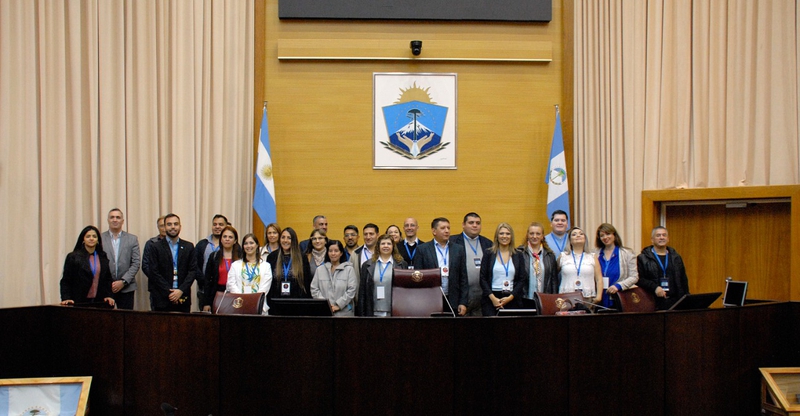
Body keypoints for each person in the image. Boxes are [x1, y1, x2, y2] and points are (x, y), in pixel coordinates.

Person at [142, 213, 198, 312]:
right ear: (164, 227)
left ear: (180, 227)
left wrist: (180, 291)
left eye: (175, 224)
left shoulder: (189, 246)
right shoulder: (155, 247)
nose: (173, 227)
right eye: (169, 224)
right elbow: (154, 272)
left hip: (182, 296)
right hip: (161, 297)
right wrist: (170, 292)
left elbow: (192, 271)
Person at [417, 217, 469, 316]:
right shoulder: (422, 249)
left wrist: (463, 302)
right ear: (434, 231)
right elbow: (419, 278)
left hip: (453, 299)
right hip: (430, 299)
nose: (447, 231)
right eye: (443, 228)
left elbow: (463, 278)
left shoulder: (458, 249)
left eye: (448, 228)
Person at [60, 226, 116, 307]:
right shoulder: (73, 257)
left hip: (99, 301)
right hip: (78, 301)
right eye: (88, 236)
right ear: (83, 239)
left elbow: (107, 279)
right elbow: (66, 280)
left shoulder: (102, 256)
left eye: (94, 236)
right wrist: (66, 297)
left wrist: (109, 295)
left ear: (98, 240)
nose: (91, 238)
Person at [449, 212, 492, 316]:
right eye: (471, 222)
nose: (475, 225)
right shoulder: (452, 242)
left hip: (482, 295)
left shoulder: (488, 243)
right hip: (462, 294)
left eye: (478, 223)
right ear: (463, 225)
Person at [637, 226, 690, 310]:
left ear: (668, 238)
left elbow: (683, 279)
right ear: (652, 240)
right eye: (658, 235)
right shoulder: (643, 258)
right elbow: (639, 279)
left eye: (664, 235)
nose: (661, 237)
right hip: (654, 302)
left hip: (675, 301)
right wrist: (655, 287)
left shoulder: (676, 257)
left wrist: (686, 298)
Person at [479, 223, 526, 315]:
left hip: (512, 298)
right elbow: (482, 278)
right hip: (491, 298)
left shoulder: (518, 255)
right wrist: (493, 298)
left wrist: (510, 297)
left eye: (508, 234)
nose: (504, 236)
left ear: (511, 236)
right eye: (501, 233)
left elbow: (522, 279)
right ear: (497, 236)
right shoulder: (488, 254)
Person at [356, 234, 408, 317]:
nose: (386, 246)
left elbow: (405, 292)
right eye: (383, 244)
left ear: (393, 247)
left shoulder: (401, 265)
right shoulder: (367, 265)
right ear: (378, 246)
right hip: (372, 311)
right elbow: (362, 293)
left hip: (394, 312)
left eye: (389, 244)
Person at [101, 208, 140, 310]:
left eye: (118, 217)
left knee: (126, 320)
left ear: (122, 221)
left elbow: (136, 263)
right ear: (108, 220)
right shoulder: (100, 238)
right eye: (112, 217)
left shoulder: (132, 239)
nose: (115, 220)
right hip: (105, 288)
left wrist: (123, 281)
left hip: (127, 287)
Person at [595, 223, 639, 309]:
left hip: (619, 297)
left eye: (608, 234)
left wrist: (618, 286)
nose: (605, 237)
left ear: (614, 235)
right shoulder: (595, 254)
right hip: (600, 297)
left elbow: (634, 277)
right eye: (602, 235)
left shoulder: (627, 253)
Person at [227, 233, 272, 315]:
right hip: (239, 307)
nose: (248, 246)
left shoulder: (266, 266)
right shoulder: (235, 265)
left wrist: (253, 301)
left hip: (259, 307)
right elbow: (231, 284)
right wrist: (243, 300)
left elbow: (265, 287)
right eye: (246, 243)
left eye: (251, 243)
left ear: (257, 245)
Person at [557, 226, 603, 306]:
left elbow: (599, 279)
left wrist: (599, 296)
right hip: (566, 299)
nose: (578, 236)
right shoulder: (563, 256)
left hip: (588, 298)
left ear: (585, 239)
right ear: (570, 240)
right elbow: (553, 277)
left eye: (581, 234)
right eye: (574, 234)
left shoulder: (592, 256)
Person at [201, 225, 242, 311]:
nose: (227, 239)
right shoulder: (214, 256)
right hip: (217, 294)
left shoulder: (241, 257)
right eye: (225, 236)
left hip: (236, 294)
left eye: (230, 237)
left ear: (235, 241)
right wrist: (206, 302)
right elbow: (207, 281)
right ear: (221, 239)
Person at [311, 240, 357, 316]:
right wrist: (326, 305)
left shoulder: (349, 269)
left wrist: (338, 305)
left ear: (341, 253)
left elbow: (352, 290)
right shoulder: (320, 270)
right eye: (330, 251)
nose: (333, 253)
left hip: (344, 312)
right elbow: (314, 289)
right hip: (325, 312)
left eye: (336, 251)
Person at [266, 227, 312, 300]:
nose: (285, 240)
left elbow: (307, 282)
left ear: (293, 240)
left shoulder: (302, 257)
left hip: (297, 302)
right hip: (276, 302)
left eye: (289, 238)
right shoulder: (272, 257)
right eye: (283, 237)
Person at [195, 214, 229, 307]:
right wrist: (203, 281)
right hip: (204, 290)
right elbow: (194, 265)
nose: (217, 227)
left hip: (227, 291)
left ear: (227, 226)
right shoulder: (202, 244)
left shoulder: (232, 246)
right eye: (215, 224)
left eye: (221, 224)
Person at [519, 222, 560, 298]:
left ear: (542, 236)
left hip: (544, 300)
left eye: (538, 234)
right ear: (527, 235)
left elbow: (554, 281)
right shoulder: (520, 253)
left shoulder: (550, 255)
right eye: (531, 233)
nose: (534, 236)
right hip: (524, 299)